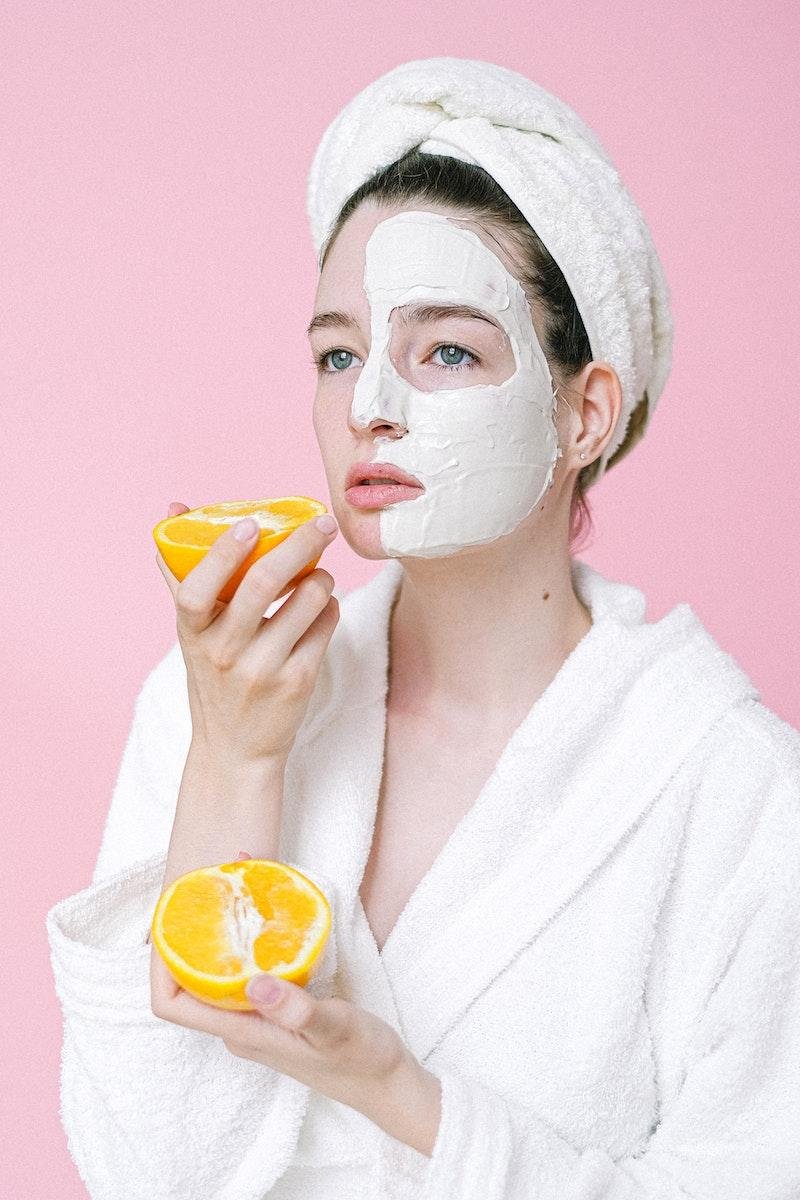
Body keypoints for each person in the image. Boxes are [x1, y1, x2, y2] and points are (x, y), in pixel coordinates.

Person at [46, 58, 800, 1200]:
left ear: (582, 411)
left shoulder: (733, 796)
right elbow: (149, 1173)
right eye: (337, 353)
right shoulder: (218, 700)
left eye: (444, 350)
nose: (367, 408)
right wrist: (236, 762)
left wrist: (401, 1096)